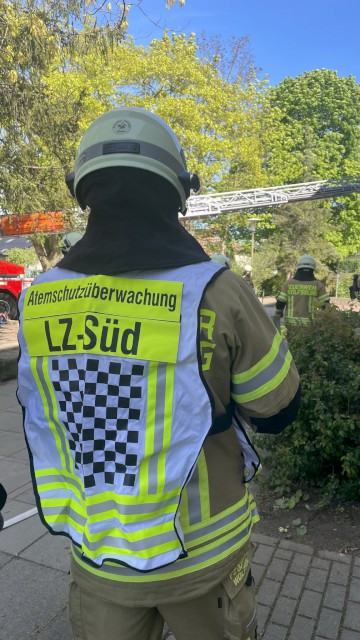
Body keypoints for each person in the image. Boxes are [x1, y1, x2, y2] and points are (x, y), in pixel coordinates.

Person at [17, 107, 300, 640]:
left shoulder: (38, 300)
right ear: (180, 191)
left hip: (101, 555)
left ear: (82, 189)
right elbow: (278, 411)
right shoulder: (215, 290)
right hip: (203, 560)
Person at [275, 255, 330, 327]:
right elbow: (325, 305)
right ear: (313, 268)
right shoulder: (318, 285)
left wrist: (278, 314)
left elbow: (280, 303)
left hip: (291, 324)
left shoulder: (288, 284)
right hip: (310, 325)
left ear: (298, 267)